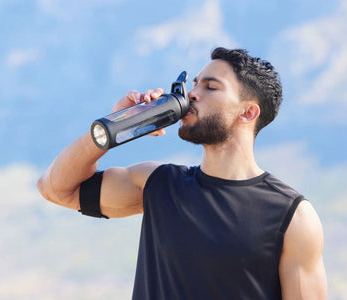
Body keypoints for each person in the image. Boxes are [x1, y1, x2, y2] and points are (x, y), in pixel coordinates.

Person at [37, 47, 327, 299]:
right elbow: (56, 188)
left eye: (210, 87)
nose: (192, 94)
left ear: (248, 112)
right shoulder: (158, 185)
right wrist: (118, 124)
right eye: (195, 84)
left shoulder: (291, 215)